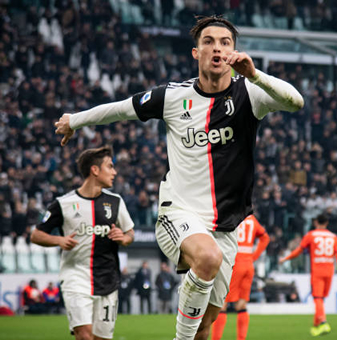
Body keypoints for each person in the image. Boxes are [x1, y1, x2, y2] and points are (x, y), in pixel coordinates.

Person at [53, 15, 303, 340]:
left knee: (206, 326)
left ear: (234, 53)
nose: (217, 48)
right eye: (209, 42)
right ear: (195, 53)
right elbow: (119, 109)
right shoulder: (172, 97)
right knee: (207, 259)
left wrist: (255, 75)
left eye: (225, 43)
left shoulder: (250, 93)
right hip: (179, 212)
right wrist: (75, 120)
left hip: (226, 226)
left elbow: (295, 102)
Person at [31, 146, 135, 340]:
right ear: (95, 170)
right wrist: (58, 240)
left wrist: (124, 237)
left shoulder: (116, 202)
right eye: (110, 167)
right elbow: (36, 235)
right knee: (84, 335)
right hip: (76, 276)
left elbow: (130, 233)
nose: (115, 172)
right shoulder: (63, 204)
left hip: (107, 279)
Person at [279, 214, 337, 337]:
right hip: (329, 271)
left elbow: (298, 251)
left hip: (317, 270)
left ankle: (323, 322)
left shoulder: (311, 235)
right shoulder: (333, 237)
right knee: (321, 299)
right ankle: (315, 326)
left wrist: (286, 258)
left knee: (317, 298)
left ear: (316, 223)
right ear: (327, 223)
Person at [212, 214, 270, 340]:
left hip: (234, 263)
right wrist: (254, 256)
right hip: (248, 264)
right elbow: (265, 238)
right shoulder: (252, 219)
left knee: (222, 304)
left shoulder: (231, 215)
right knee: (241, 305)